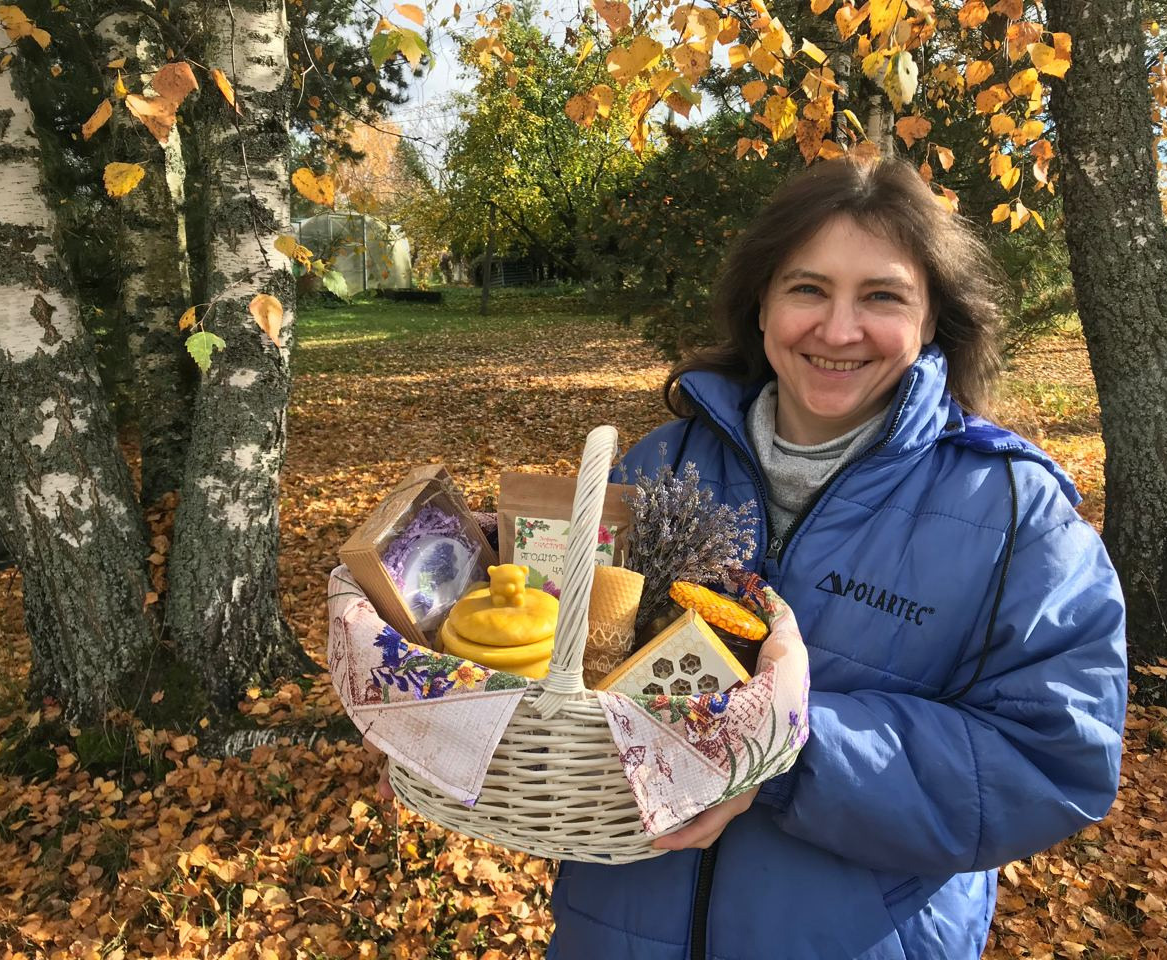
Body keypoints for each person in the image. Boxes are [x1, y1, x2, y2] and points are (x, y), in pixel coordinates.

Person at [372, 155, 1128, 959]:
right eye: (807, 288)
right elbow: (572, 673)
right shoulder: (659, 469)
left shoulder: (1014, 513)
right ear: (761, 303)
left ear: (932, 316)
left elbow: (1056, 757)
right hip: (618, 932)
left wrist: (779, 752)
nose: (838, 330)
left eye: (881, 296)